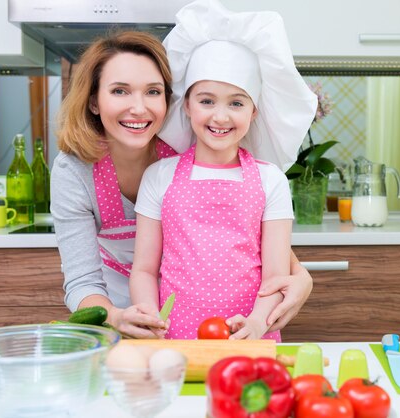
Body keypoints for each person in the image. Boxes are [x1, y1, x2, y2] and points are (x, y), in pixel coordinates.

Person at [51, 30, 313, 338]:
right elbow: (84, 280)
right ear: (94, 101)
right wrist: (118, 316)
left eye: (152, 91)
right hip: (124, 310)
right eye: (120, 91)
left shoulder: (186, 146)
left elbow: (250, 238)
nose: (138, 108)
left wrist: (301, 277)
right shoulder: (76, 170)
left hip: (215, 317)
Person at [130, 0, 318, 341]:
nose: (220, 116)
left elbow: (276, 274)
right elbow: (144, 268)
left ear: (254, 110)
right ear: (185, 105)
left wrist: (259, 322)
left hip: (250, 336)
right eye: (206, 100)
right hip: (172, 337)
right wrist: (148, 317)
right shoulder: (159, 176)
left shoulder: (270, 179)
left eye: (236, 102)